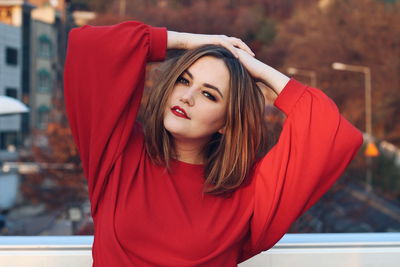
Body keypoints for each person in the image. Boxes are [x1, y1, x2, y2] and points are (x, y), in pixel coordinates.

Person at [64, 20, 363, 266]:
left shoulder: (248, 195)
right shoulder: (118, 153)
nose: (187, 96)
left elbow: (334, 132)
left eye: (209, 94)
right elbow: (89, 45)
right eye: (184, 80)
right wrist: (193, 41)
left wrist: (256, 70)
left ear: (227, 123)